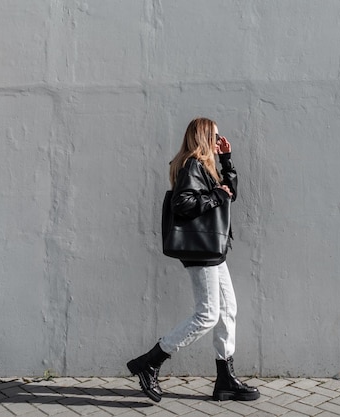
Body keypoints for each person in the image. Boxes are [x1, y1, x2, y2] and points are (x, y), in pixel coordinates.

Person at [126, 117, 260, 403]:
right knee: (208, 314)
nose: (218, 139)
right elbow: (182, 203)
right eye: (215, 136)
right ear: (203, 137)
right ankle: (150, 362)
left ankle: (225, 379)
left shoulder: (205, 166)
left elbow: (229, 195)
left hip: (213, 250)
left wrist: (227, 161)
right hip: (202, 251)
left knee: (228, 310)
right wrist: (215, 195)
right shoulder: (192, 165)